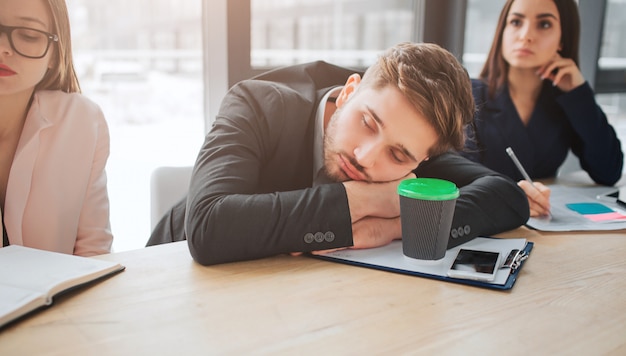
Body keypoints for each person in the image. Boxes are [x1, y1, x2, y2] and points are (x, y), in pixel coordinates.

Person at [148, 42, 530, 266]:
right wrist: (358, 199)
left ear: (420, 161)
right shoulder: (257, 102)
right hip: (166, 278)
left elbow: (506, 195)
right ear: (350, 91)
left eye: (398, 157)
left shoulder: (412, 137)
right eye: (367, 122)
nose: (366, 156)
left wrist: (394, 225)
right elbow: (208, 227)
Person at [462, 0, 624, 217]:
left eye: (544, 24)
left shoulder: (567, 102)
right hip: (485, 224)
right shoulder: (470, 94)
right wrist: (510, 197)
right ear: (502, 30)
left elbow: (608, 171)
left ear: (562, 40)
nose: (526, 35)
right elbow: (458, 176)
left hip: (543, 225)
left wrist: (579, 93)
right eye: (516, 22)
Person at [1, 0, 113, 256]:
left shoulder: (82, 121)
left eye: (28, 35)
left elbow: (94, 253)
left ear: (55, 53)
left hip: (61, 297)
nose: (3, 48)